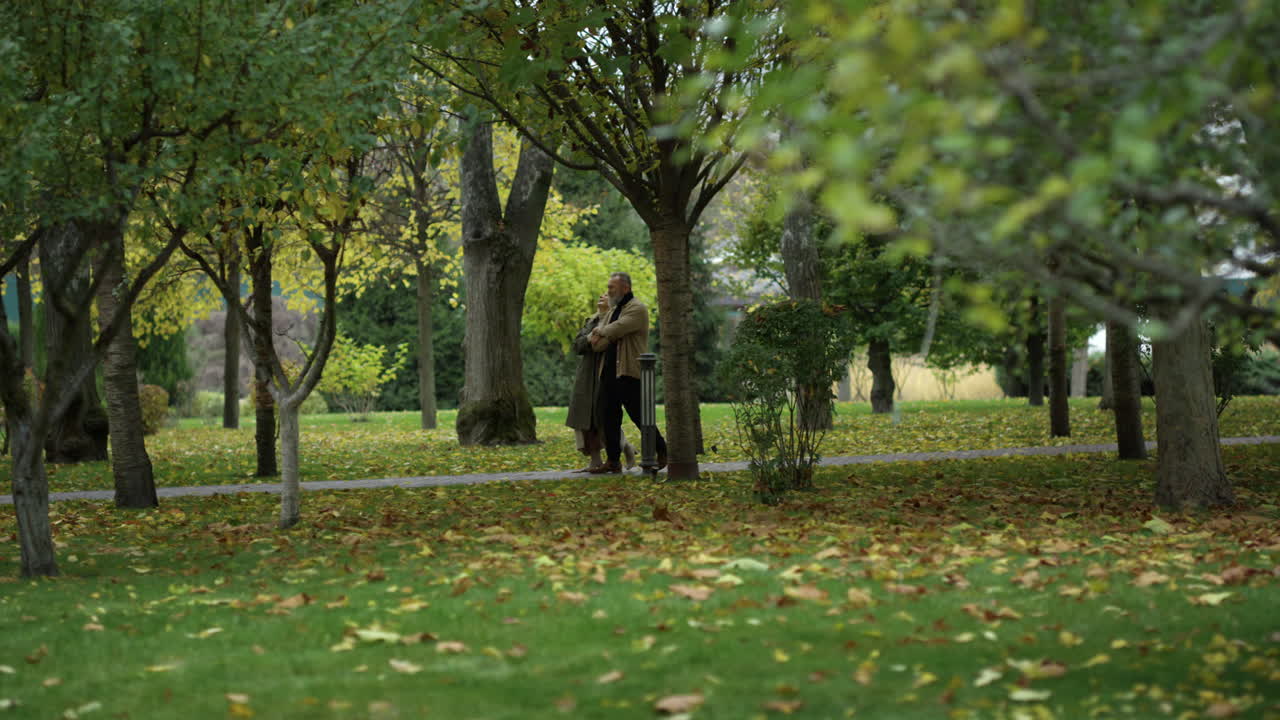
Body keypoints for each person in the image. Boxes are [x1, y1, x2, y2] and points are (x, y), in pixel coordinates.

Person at [588, 272, 667, 474]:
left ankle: (662, 450)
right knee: (609, 418)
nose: (608, 291)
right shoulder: (614, 310)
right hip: (609, 372)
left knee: (639, 416)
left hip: (628, 372)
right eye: (608, 287)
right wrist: (600, 333)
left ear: (625, 288)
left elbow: (616, 328)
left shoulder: (636, 308)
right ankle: (613, 461)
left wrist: (601, 332)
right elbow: (598, 343)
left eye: (612, 287)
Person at [566, 295, 635, 472]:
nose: (601, 297)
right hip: (586, 374)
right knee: (583, 416)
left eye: (606, 294)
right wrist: (591, 337)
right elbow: (577, 345)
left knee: (603, 415)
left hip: (607, 371)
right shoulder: (590, 320)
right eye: (601, 295)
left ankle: (625, 446)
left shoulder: (618, 319)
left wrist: (598, 337)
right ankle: (595, 460)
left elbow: (610, 342)